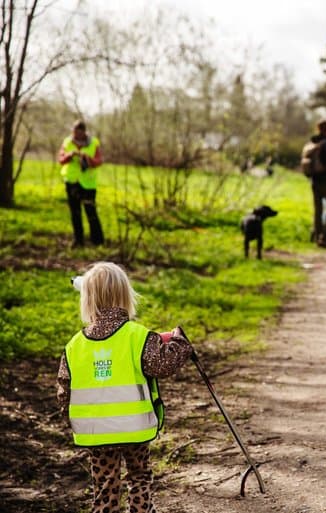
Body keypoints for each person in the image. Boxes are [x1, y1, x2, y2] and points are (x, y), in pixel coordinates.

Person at [57, 261, 193, 513]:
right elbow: (162, 365)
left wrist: (73, 418)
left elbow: (64, 390)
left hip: (96, 432)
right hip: (134, 429)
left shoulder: (74, 345)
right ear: (125, 295)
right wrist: (179, 342)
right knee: (139, 476)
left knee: (104, 485)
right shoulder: (138, 336)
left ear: (87, 300)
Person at [59, 120, 105, 247]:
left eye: (79, 132)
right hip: (72, 181)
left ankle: (97, 240)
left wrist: (87, 159)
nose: (76, 135)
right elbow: (61, 159)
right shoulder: (67, 142)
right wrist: (70, 155)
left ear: (84, 132)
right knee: (75, 213)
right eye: (74, 132)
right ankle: (78, 240)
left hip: (88, 184)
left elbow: (99, 160)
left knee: (91, 211)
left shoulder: (93, 143)